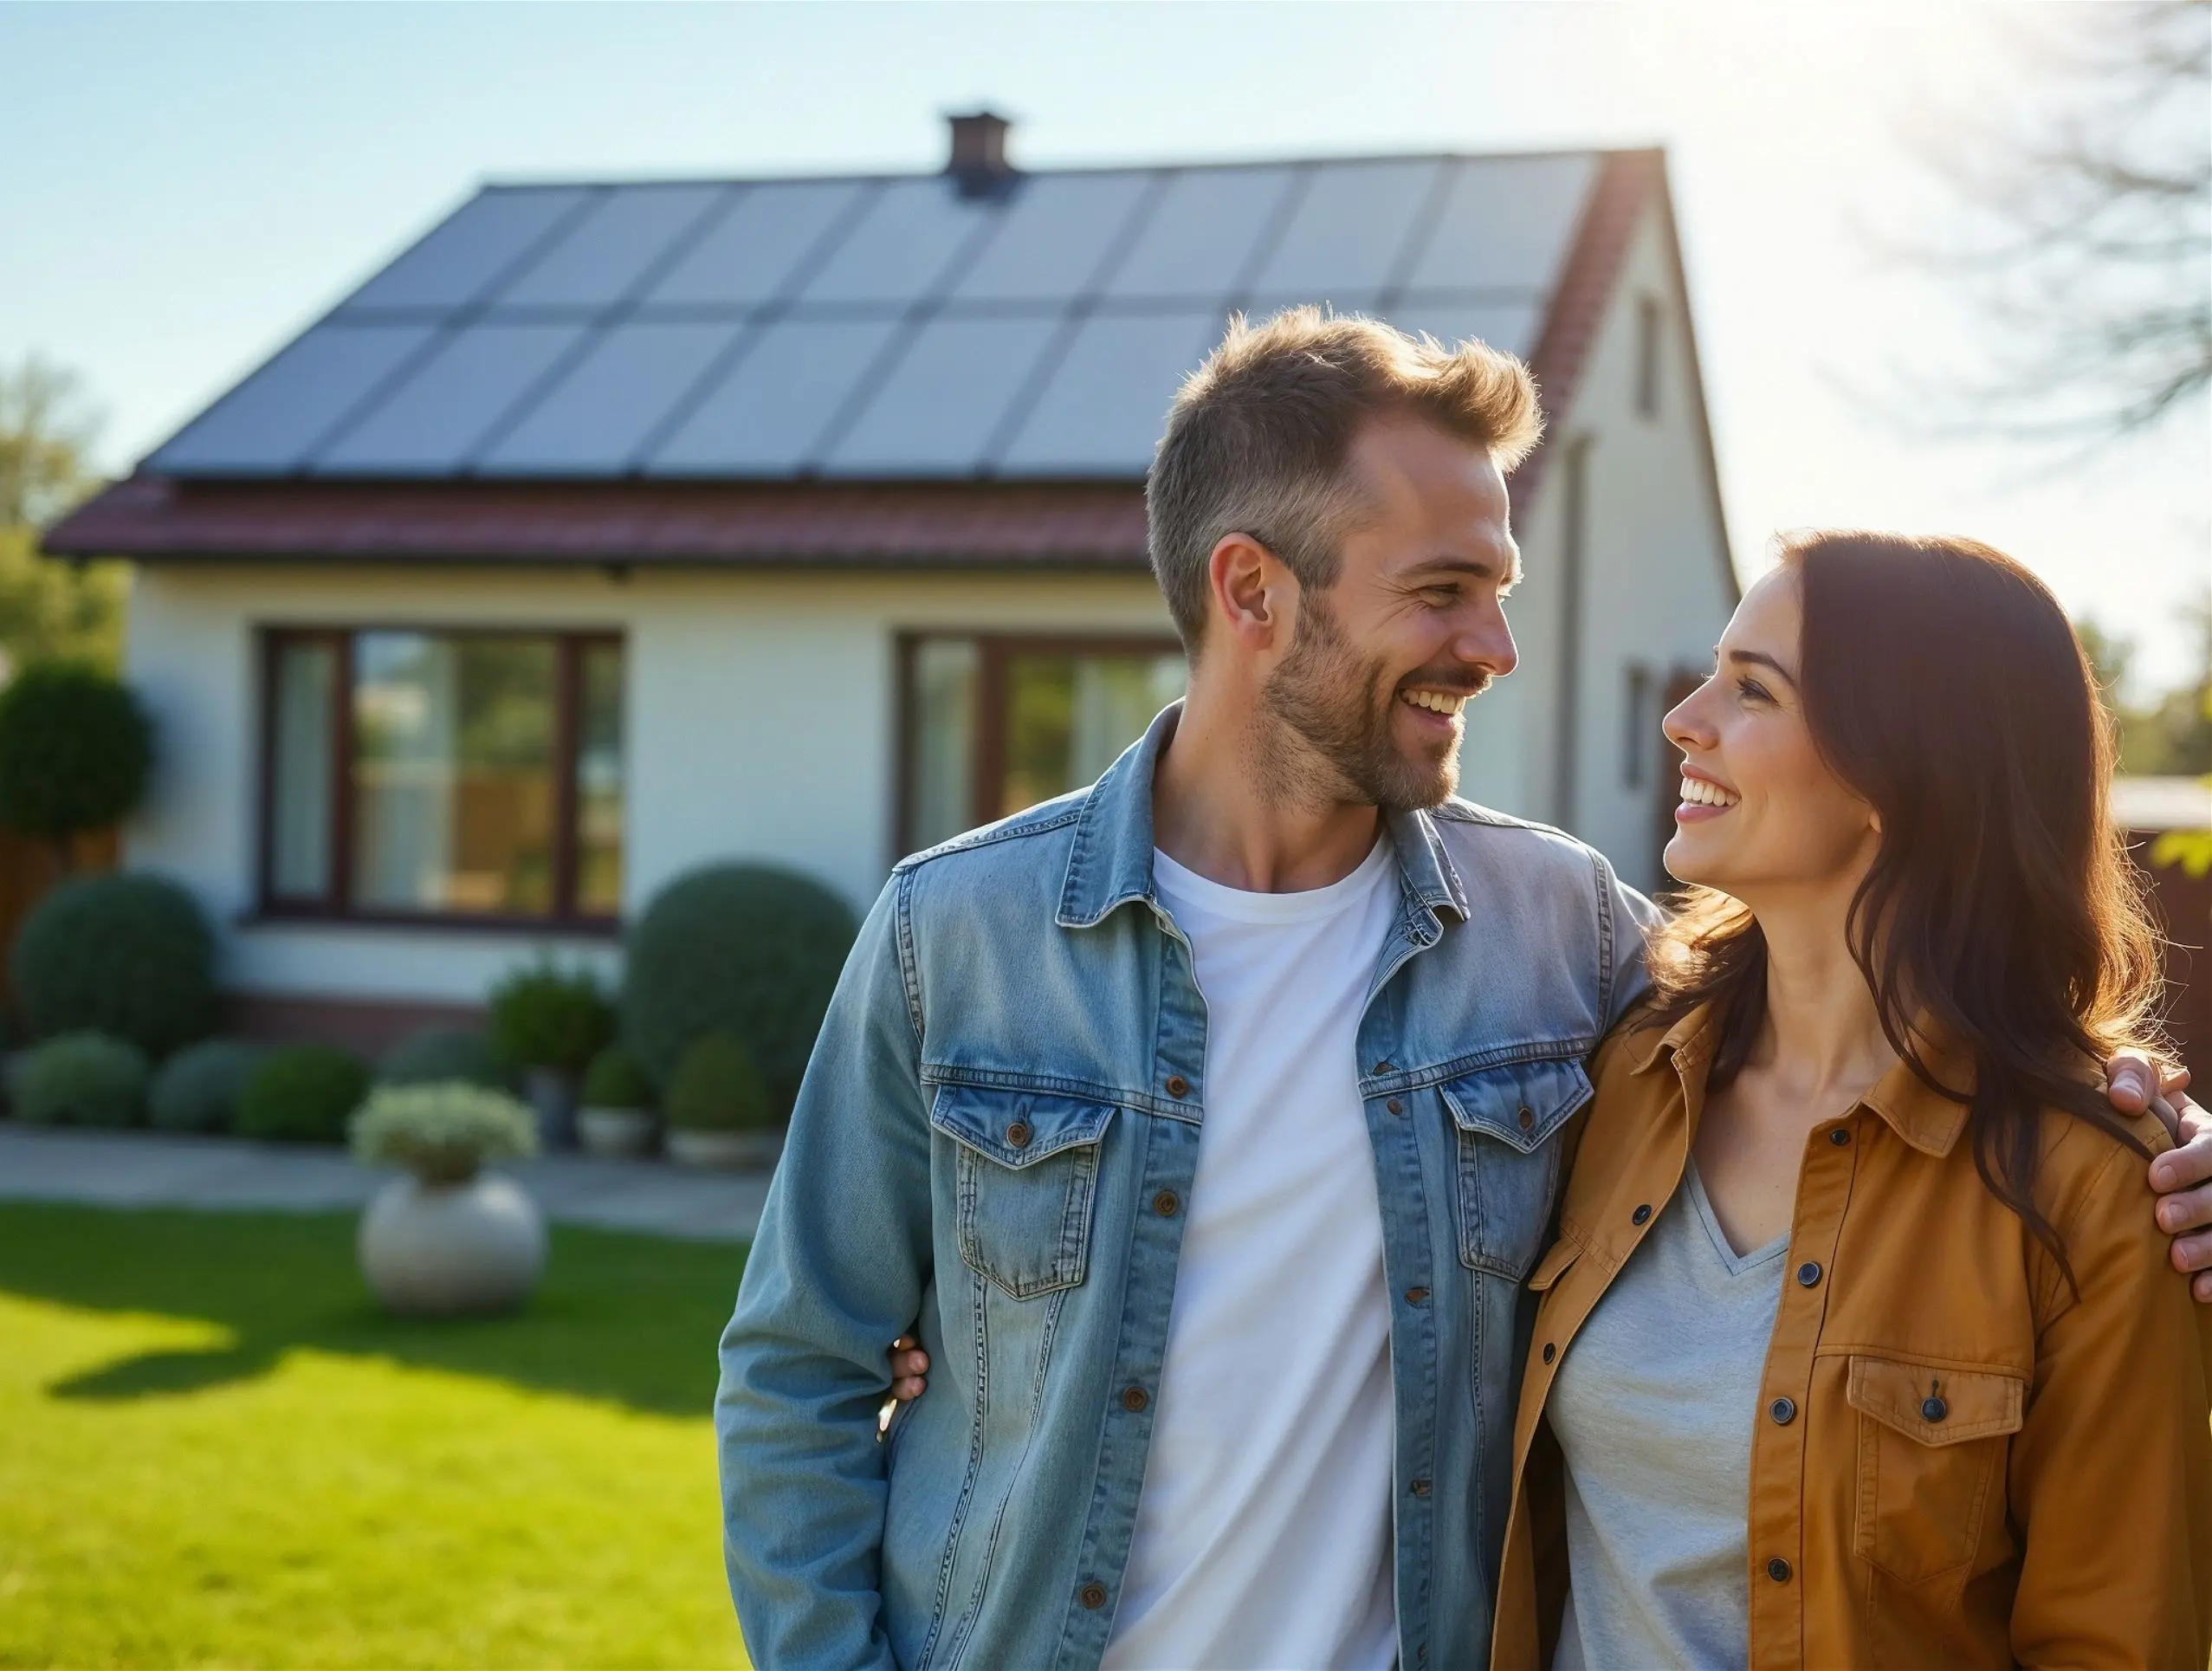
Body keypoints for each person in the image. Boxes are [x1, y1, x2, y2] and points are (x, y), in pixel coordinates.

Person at [714, 308, 2211, 1671]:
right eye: (1441, 592)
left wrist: (2156, 1144)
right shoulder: (956, 935)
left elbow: (1877, 1021)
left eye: (1498, 591)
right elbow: (800, 1370)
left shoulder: (1560, 934)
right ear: (1251, 590)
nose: (1492, 649)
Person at [1486, 534, 2212, 1670]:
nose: (1682, 719)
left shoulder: (2094, 1185)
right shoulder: (1620, 1076)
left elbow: (2116, 1641)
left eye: (1753, 689)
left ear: (1897, 770)